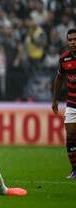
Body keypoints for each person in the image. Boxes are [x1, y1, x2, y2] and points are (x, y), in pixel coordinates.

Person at [52, 28, 76, 179]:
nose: (73, 42)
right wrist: (54, 98)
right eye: (70, 40)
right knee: (71, 135)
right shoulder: (64, 59)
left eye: (75, 39)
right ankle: (75, 169)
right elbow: (59, 78)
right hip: (72, 103)